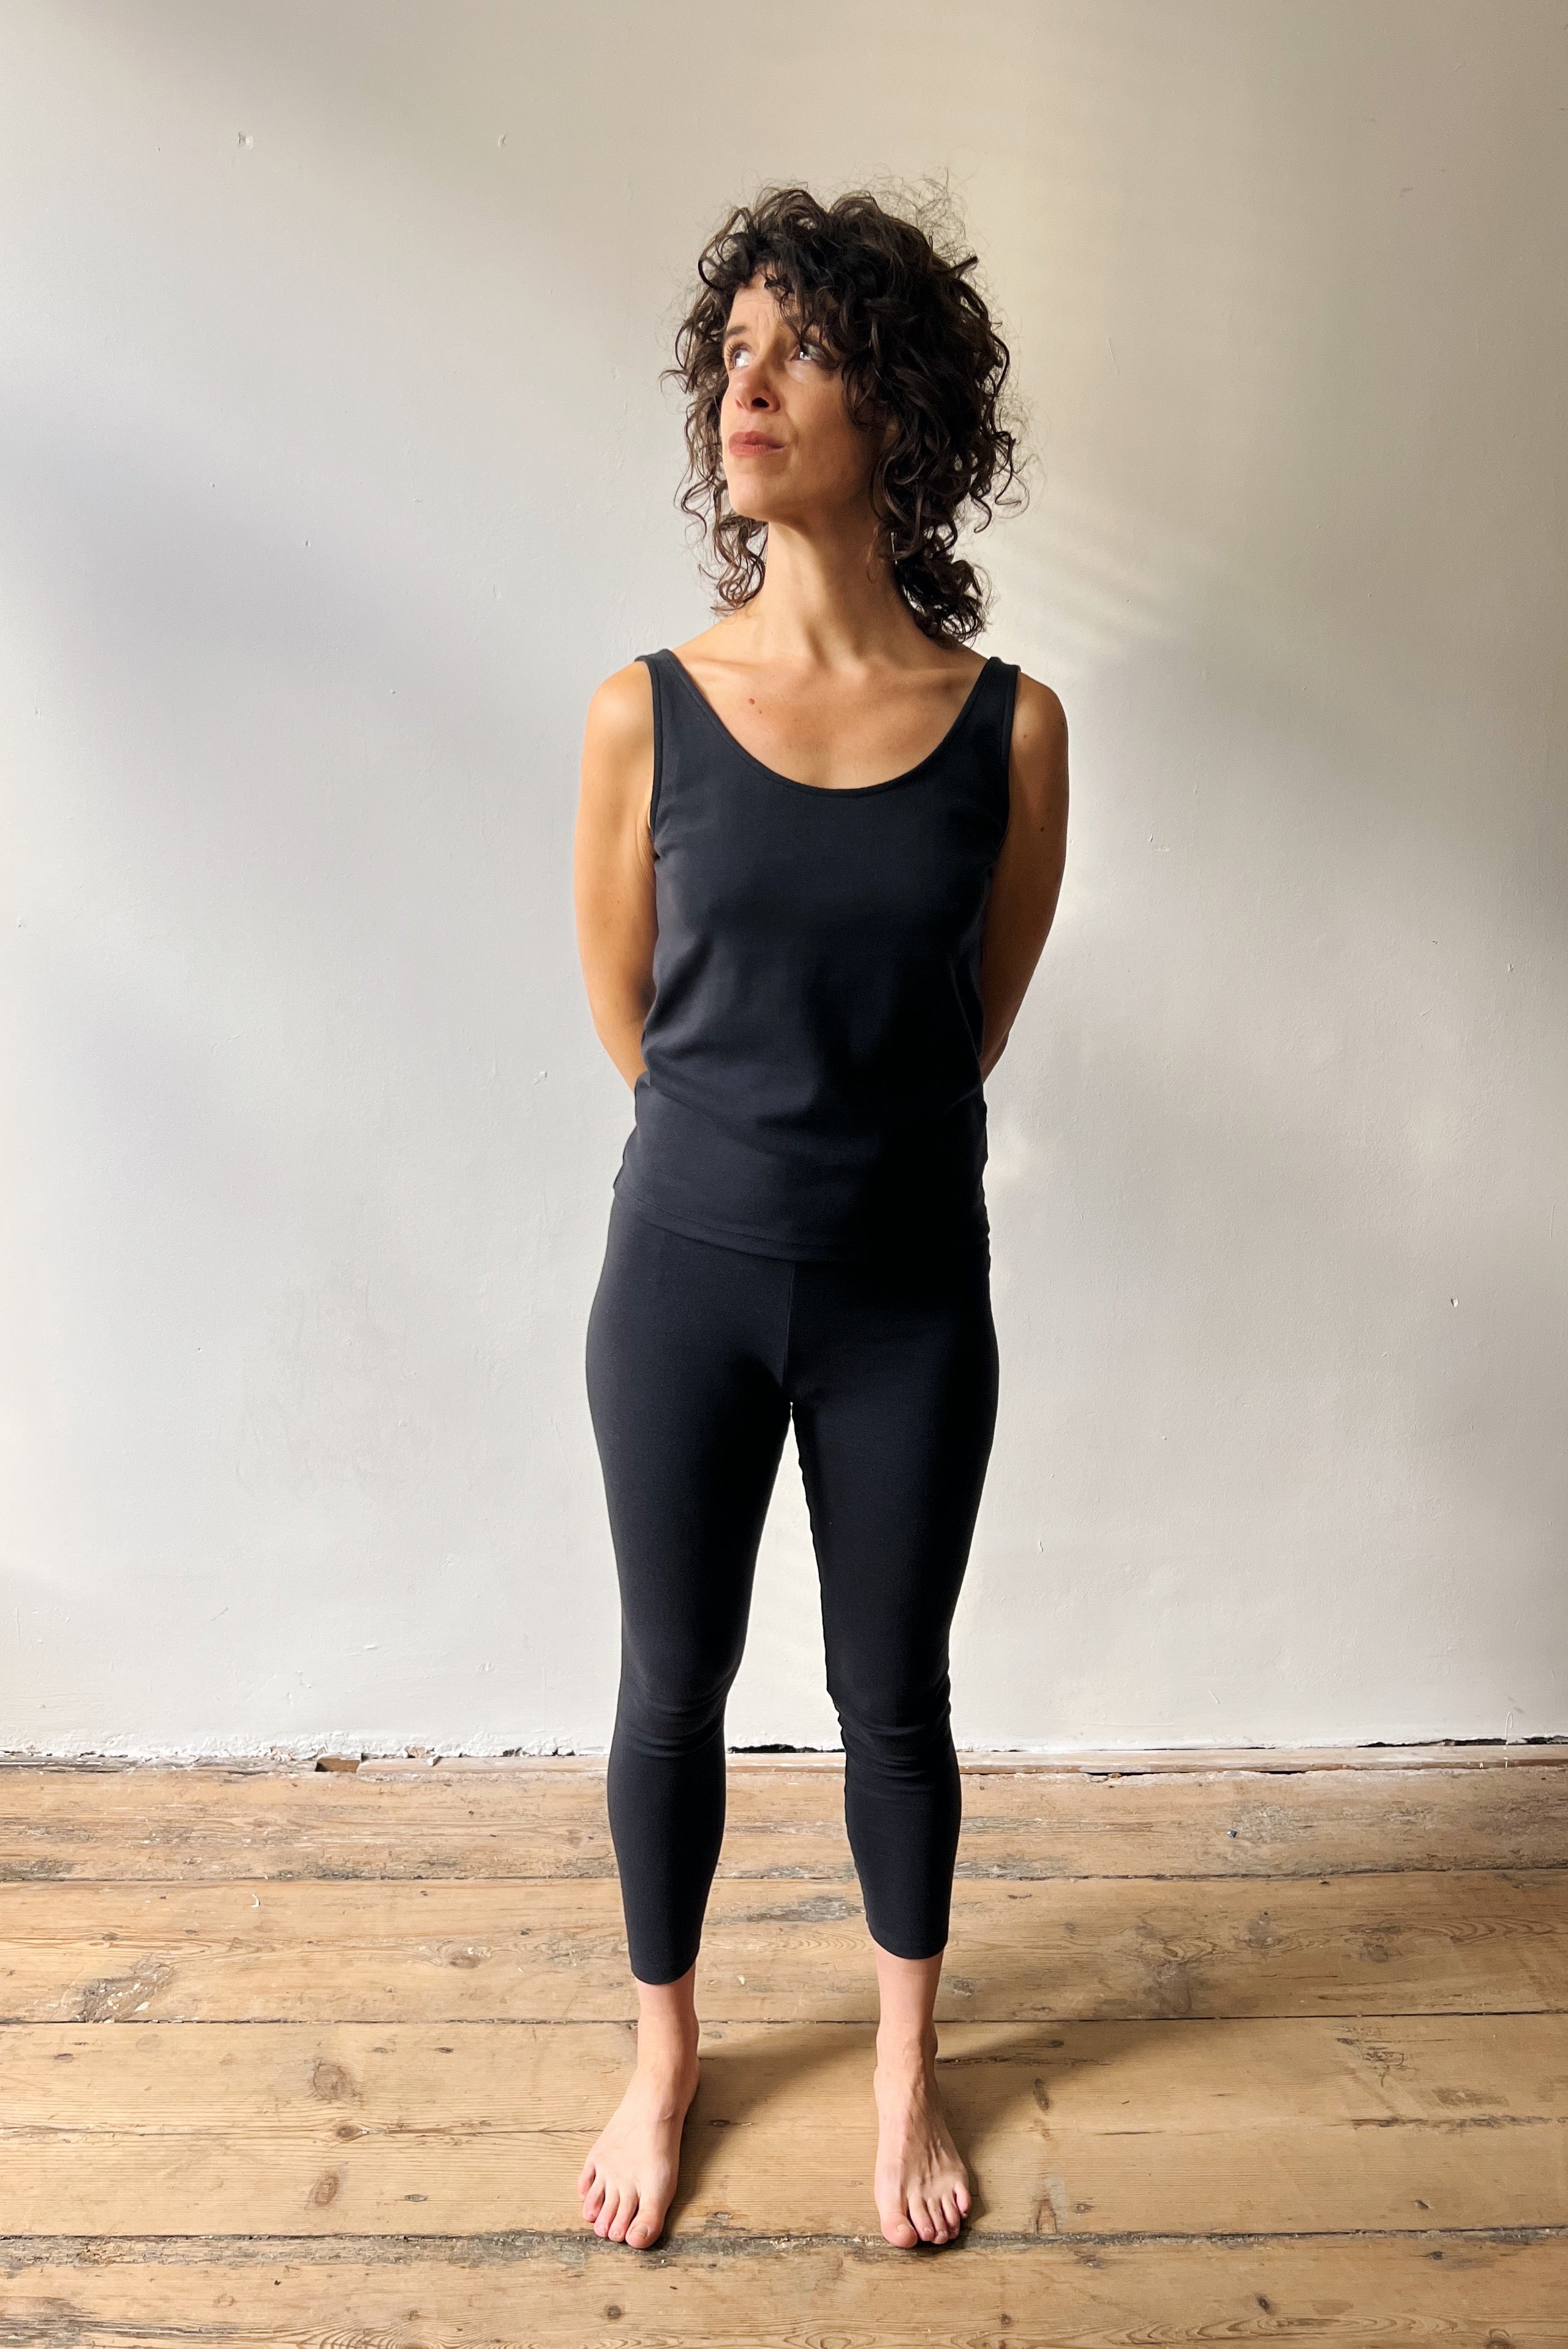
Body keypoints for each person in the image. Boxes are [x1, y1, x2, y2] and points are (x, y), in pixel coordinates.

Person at [571, 184, 1069, 2254]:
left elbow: (972, 1027)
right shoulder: (643, 708)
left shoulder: (1013, 730)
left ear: (902, 405)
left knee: (897, 1691)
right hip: (681, 1274)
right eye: (733, 352)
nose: (746, 386)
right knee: (669, 1678)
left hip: (905, 1298)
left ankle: (900, 2063)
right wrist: (749, 1158)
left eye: (801, 348)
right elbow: (631, 1016)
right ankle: (666, 2049)